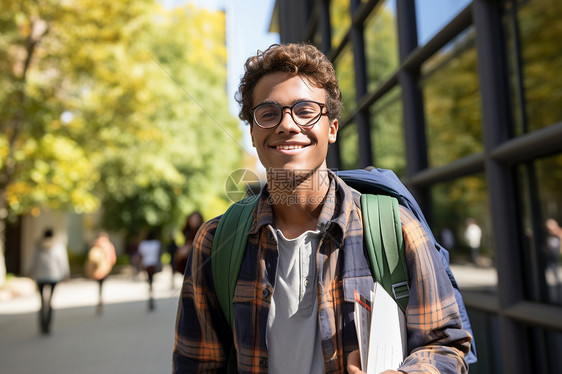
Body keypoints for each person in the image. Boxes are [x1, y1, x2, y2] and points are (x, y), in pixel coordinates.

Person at [173, 43, 472, 373]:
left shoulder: (394, 229)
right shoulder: (217, 242)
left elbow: (447, 345)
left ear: (331, 128)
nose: (287, 125)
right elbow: (196, 365)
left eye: (305, 111)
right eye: (269, 113)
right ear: (254, 134)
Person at [28, 228, 70, 335]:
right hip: (54, 276)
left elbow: (34, 260)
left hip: (40, 276)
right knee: (50, 301)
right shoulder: (58, 246)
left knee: (42, 302)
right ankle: (48, 326)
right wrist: (65, 273)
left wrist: (31, 272)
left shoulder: (38, 246)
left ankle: (42, 325)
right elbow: (63, 261)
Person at [84, 231, 117, 315]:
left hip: (95, 270)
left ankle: (99, 297)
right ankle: (100, 297)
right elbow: (113, 259)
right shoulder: (108, 245)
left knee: (99, 284)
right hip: (105, 269)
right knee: (101, 284)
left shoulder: (95, 244)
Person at [138, 229, 162, 311]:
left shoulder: (143, 244)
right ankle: (151, 297)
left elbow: (140, 255)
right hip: (153, 264)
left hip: (146, 265)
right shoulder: (156, 243)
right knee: (152, 281)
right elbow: (159, 255)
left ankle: (150, 297)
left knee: (149, 281)